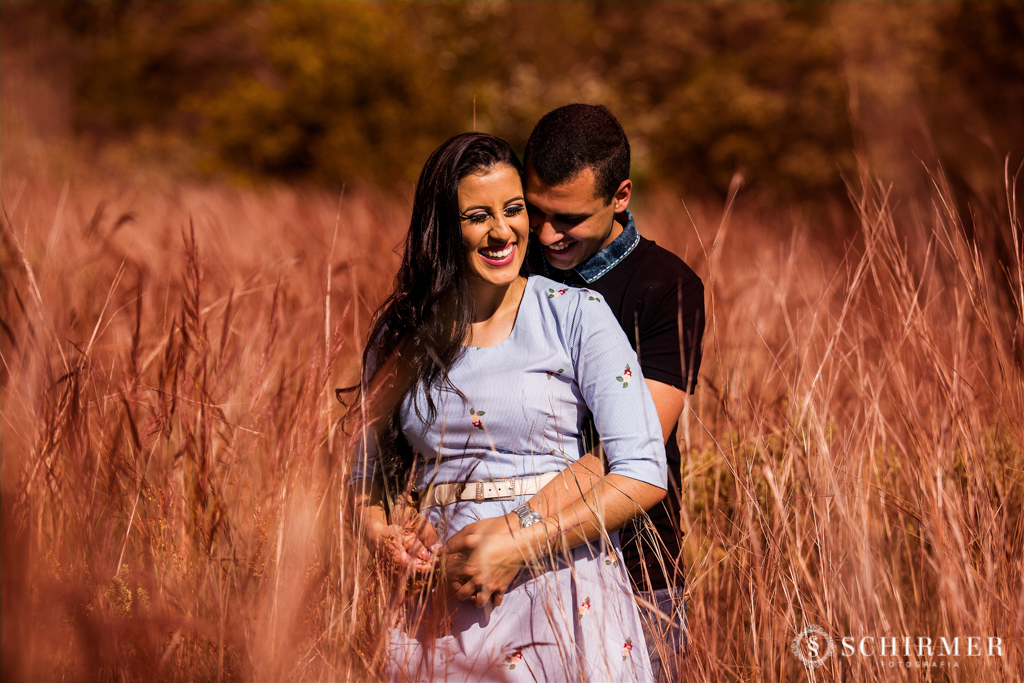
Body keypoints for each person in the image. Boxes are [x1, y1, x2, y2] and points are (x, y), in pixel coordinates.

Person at [349, 132, 670, 682]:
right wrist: (381, 537)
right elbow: (363, 477)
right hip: (440, 603)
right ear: (444, 228)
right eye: (478, 215)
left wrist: (521, 543)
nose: (502, 232)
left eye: (514, 209)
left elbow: (642, 472)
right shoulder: (402, 332)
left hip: (561, 588)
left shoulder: (576, 314)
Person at [443, 105, 705, 682]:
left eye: (567, 219)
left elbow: (633, 448)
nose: (544, 234)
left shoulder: (668, 288)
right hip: (494, 574)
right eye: (532, 211)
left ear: (621, 196)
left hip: (638, 566)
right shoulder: (508, 261)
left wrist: (516, 531)